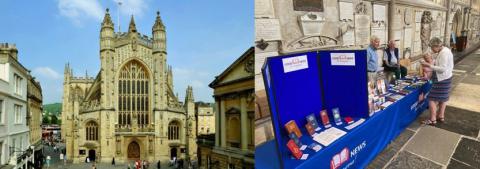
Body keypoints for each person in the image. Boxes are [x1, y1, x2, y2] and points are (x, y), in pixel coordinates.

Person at [421, 37, 454, 125]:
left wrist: (429, 64)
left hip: (442, 79)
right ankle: (441, 116)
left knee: (431, 98)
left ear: (436, 46)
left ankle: (432, 119)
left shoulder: (444, 53)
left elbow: (442, 69)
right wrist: (433, 61)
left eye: (432, 48)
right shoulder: (445, 50)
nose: (432, 50)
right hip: (446, 78)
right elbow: (442, 64)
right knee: (443, 99)